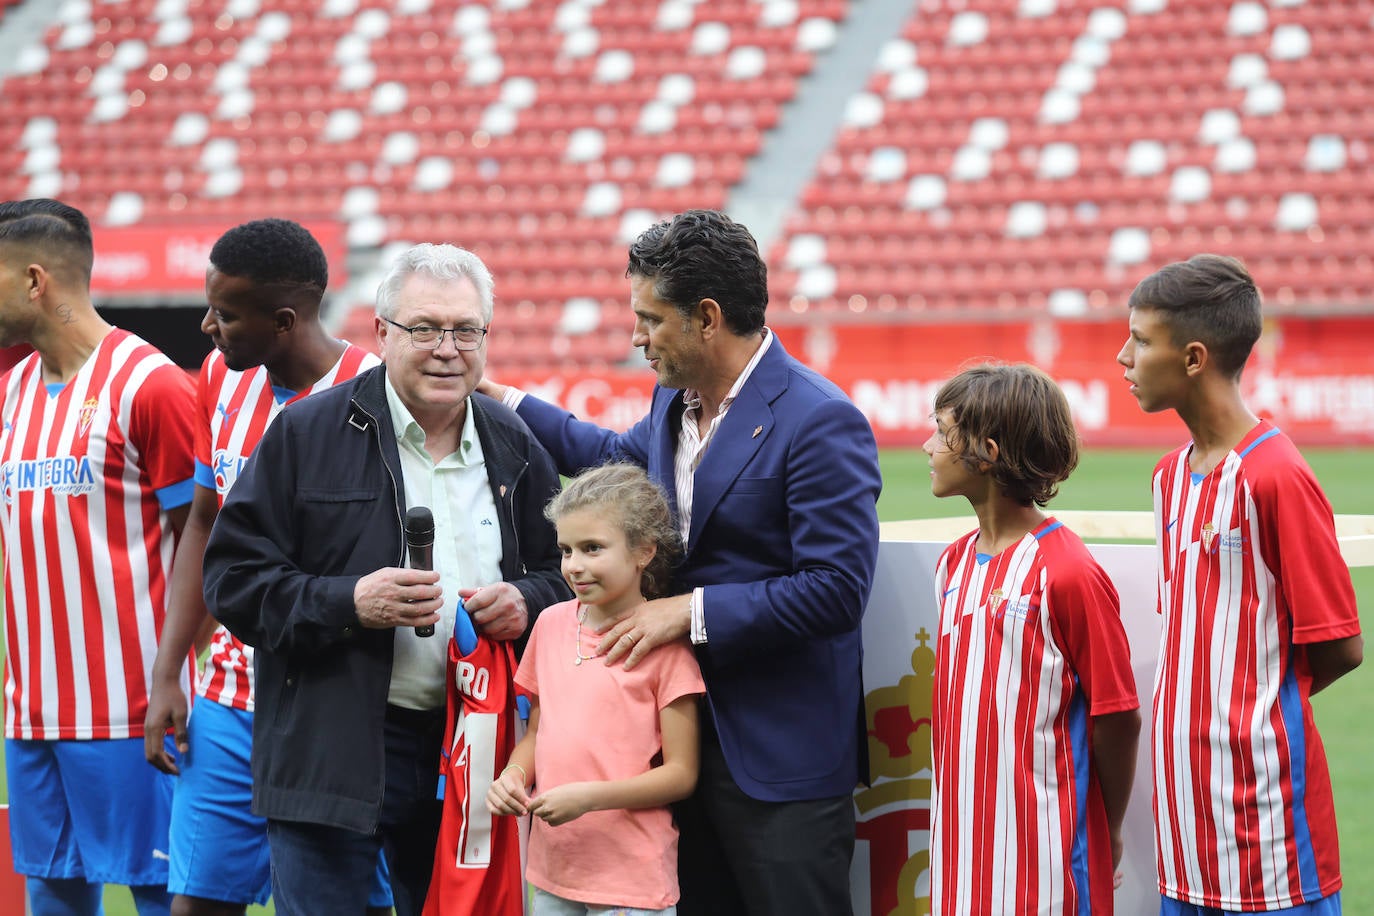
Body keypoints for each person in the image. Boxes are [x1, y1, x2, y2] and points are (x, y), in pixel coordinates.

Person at [479, 209, 882, 916]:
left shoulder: (821, 419)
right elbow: (608, 458)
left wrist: (685, 612)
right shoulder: (674, 400)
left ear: (706, 316)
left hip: (778, 758)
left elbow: (836, 590)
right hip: (669, 756)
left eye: (650, 318)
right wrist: (503, 397)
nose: (637, 336)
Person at [201, 242, 569, 916]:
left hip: (469, 751)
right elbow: (232, 581)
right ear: (382, 333)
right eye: (424, 329)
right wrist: (349, 602)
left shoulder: (511, 440)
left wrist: (528, 599)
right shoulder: (304, 435)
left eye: (465, 330)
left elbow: (567, 575)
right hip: (330, 746)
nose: (447, 349)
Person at [141, 218, 392, 916]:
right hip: (227, 699)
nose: (207, 327)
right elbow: (203, 522)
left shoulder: (376, 398)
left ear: (283, 320)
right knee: (196, 904)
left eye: (224, 314)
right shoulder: (219, 382)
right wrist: (169, 673)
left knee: (329, 905)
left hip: (330, 708)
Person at [1116, 254, 1363, 915]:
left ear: (1193, 358)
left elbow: (1339, 645)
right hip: (1183, 826)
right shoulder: (1169, 479)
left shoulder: (1276, 475)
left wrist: (1246, 714)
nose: (1123, 357)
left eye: (1140, 341)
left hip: (1267, 836)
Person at [0, 198, 196, 915]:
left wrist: (173, 677)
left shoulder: (152, 385)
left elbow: (202, 543)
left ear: (33, 281)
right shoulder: (12, 393)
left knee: (158, 895)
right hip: (31, 714)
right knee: (50, 896)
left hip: (132, 711)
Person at [921, 363, 1141, 915]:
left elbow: (1118, 715)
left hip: (1045, 866)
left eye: (942, 432)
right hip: (959, 858)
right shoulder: (953, 565)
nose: (927, 446)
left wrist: (1106, 827)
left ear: (988, 451)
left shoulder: (1065, 571)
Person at [486, 463, 705, 915]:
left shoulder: (664, 647)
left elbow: (681, 774)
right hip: (553, 871)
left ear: (644, 550)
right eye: (566, 550)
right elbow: (536, 734)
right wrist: (513, 776)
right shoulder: (548, 625)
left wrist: (589, 798)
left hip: (631, 881)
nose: (575, 566)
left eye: (592, 548)